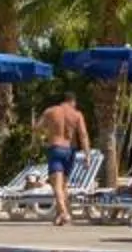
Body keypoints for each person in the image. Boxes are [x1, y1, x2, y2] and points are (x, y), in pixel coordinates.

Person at [38, 91, 92, 225]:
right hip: (70, 151)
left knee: (56, 185)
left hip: (56, 148)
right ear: (72, 101)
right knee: (63, 185)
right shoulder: (77, 114)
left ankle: (64, 212)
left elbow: (37, 128)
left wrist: (46, 135)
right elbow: (83, 135)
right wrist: (87, 155)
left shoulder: (50, 111)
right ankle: (59, 216)